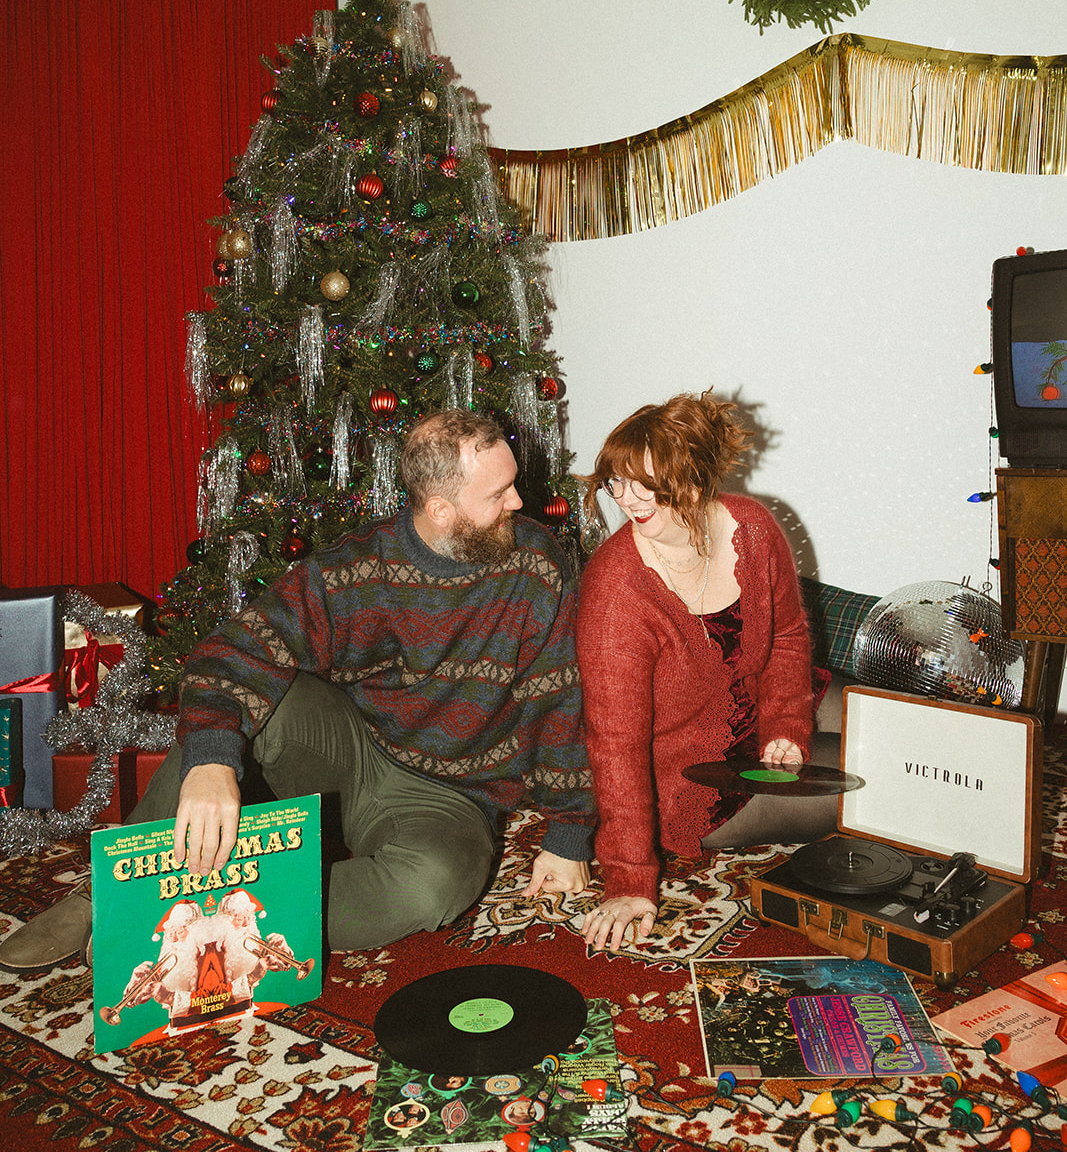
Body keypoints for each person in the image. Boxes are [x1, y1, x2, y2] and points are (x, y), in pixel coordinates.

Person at [0, 410, 593, 972]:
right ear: (440, 509)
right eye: (498, 495)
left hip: (454, 793)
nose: (519, 502)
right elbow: (227, 653)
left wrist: (568, 834)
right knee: (240, 714)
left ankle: (214, 918)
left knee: (433, 886)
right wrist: (210, 766)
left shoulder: (536, 565)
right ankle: (111, 891)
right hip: (355, 748)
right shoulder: (357, 569)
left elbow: (558, 699)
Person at [576, 389, 840, 954]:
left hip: (758, 698)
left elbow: (790, 636)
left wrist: (786, 728)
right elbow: (615, 742)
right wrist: (628, 878)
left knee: (885, 717)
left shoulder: (753, 526)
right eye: (616, 482)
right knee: (867, 780)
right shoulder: (615, 587)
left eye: (646, 484)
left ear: (693, 482)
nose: (627, 499)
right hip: (691, 769)